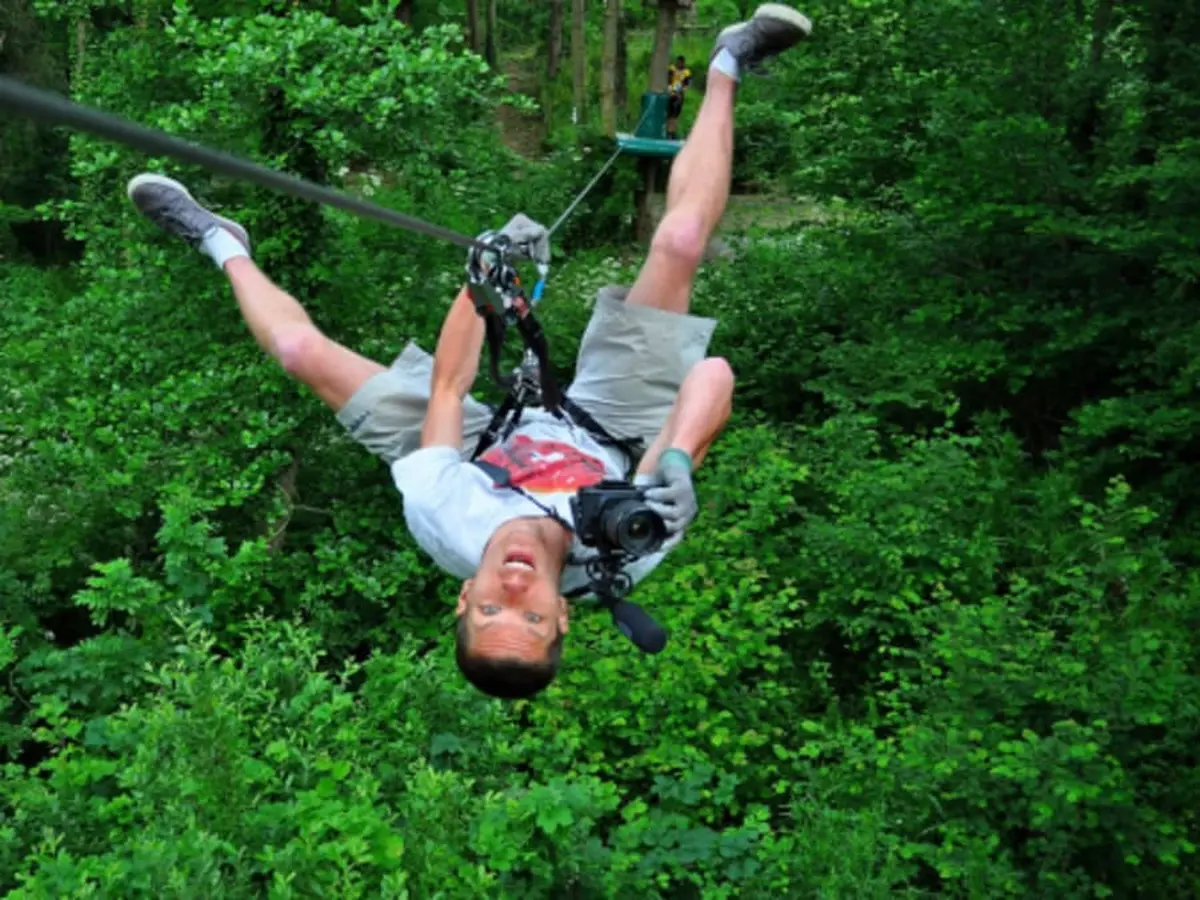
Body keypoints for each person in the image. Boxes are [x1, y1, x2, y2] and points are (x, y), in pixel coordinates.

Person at [124, 3, 812, 700]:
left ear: (463, 598)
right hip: (615, 432)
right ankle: (728, 64)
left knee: (303, 352)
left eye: (489, 608)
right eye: (531, 613)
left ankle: (219, 242)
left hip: (482, 450)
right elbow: (713, 376)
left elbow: (449, 389)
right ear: (563, 614)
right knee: (680, 244)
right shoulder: (626, 542)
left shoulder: (444, 516)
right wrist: (676, 462)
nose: (512, 587)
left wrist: (487, 283)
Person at [666, 54, 692, 140]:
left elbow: (687, 85)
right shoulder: (672, 69)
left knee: (675, 115)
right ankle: (668, 132)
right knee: (669, 114)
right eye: (678, 62)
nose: (679, 64)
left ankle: (672, 132)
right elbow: (668, 81)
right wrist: (670, 90)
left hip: (679, 95)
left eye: (681, 63)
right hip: (670, 93)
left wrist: (680, 92)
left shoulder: (686, 72)